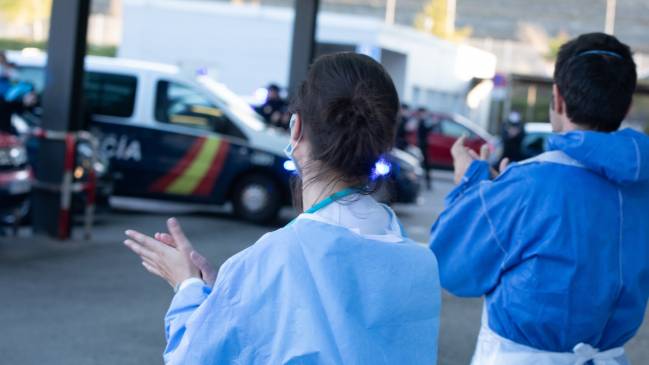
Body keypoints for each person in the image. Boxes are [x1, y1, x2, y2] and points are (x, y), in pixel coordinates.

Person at [124, 52, 441, 365]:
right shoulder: (420, 263)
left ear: (296, 128)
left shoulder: (271, 259)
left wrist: (188, 286)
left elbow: (191, 358)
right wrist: (227, 295)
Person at [429, 32, 649, 364]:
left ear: (558, 99)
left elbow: (450, 267)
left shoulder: (527, 184)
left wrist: (470, 186)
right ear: (628, 104)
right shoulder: (641, 187)